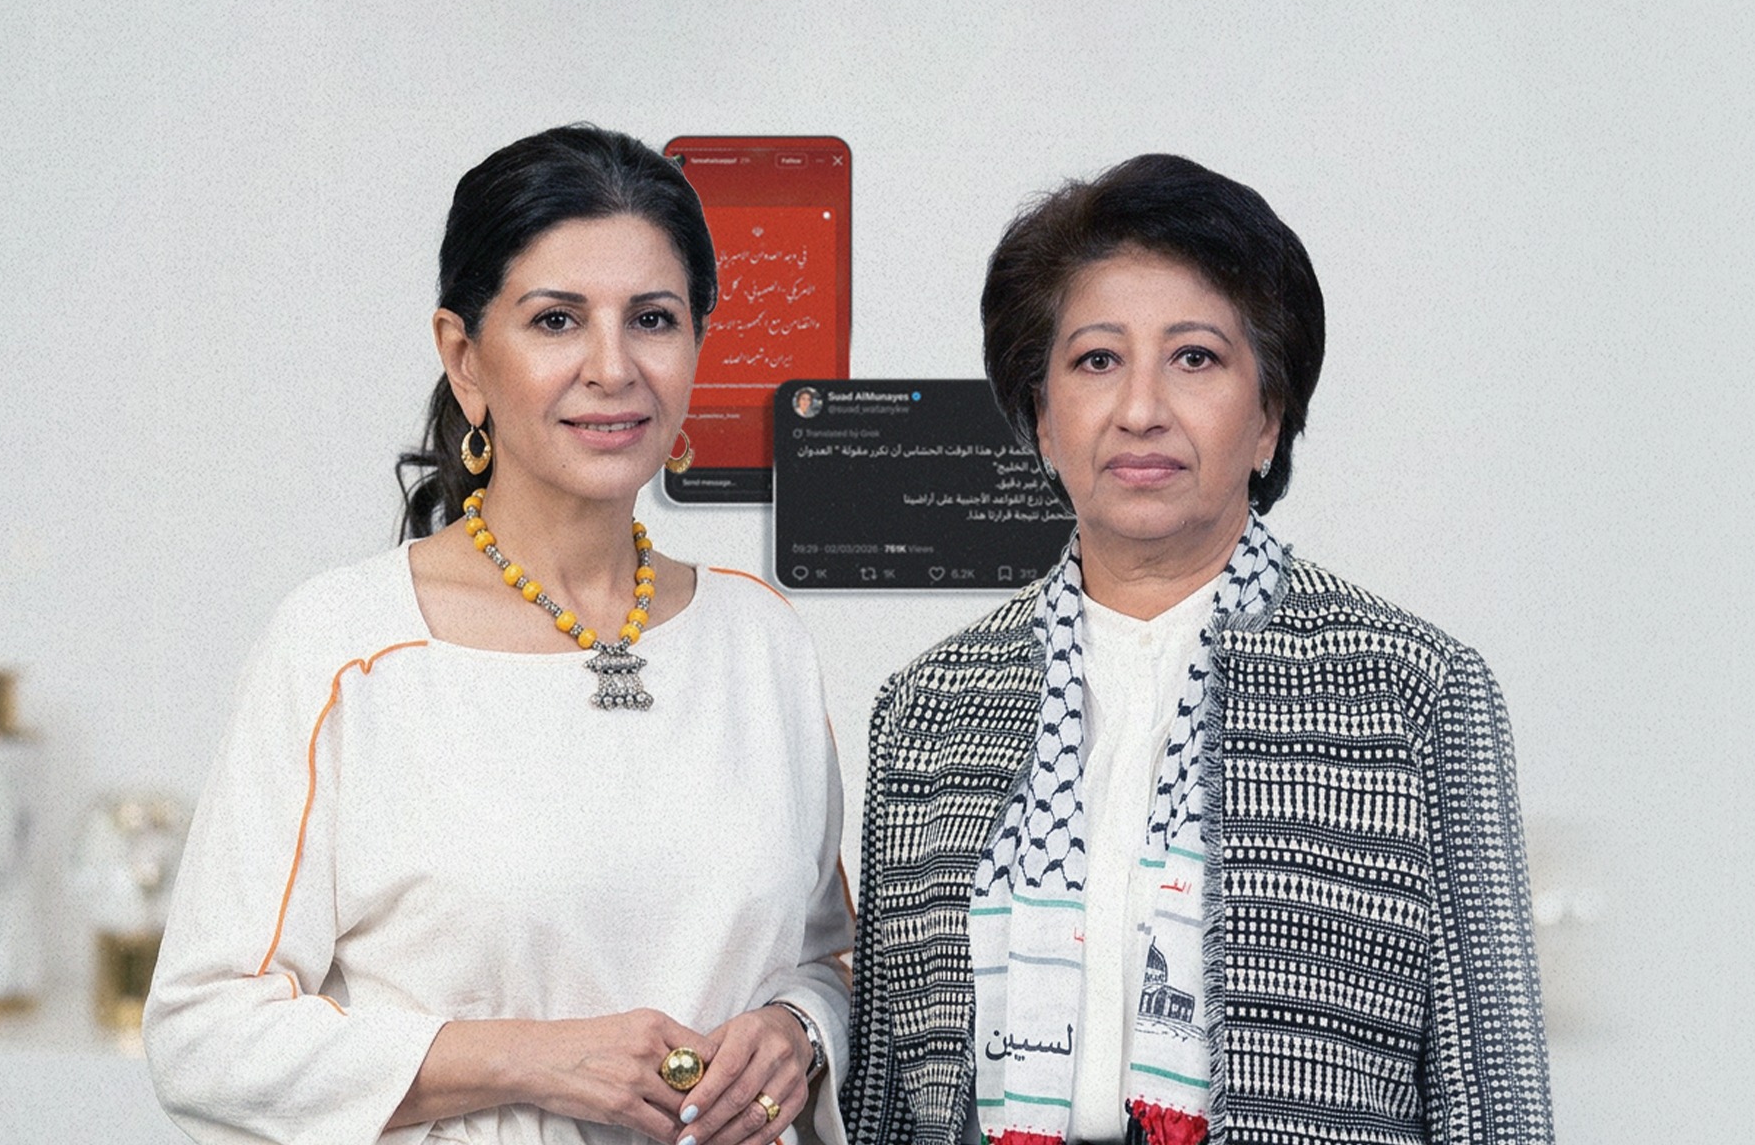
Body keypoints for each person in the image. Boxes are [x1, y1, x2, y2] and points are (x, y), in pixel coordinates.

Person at [144, 125, 852, 1145]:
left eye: (652, 319)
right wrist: (532, 1058)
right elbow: (204, 1035)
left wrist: (797, 1032)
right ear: (464, 357)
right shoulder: (349, 646)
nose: (613, 367)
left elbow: (829, 959)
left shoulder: (758, 641)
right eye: (557, 320)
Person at [840, 155, 1553, 1145]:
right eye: (1096, 361)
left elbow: (1494, 1100)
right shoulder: (928, 707)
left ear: (1267, 419)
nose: (1140, 409)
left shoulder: (1410, 689)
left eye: (1195, 358)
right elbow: (883, 1097)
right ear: (1041, 419)